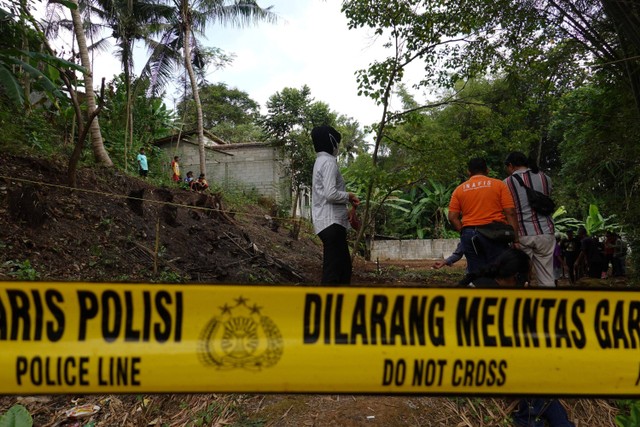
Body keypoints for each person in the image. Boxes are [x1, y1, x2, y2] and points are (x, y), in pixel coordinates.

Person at [459, 249, 575, 427]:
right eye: (527, 277)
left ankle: (555, 421)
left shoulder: (483, 282)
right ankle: (530, 419)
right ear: (516, 277)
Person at [447, 157, 519, 275]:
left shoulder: (459, 190)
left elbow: (452, 217)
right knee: (497, 271)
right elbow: (510, 212)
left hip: (470, 234)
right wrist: (515, 239)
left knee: (476, 273)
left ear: (468, 172)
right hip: (495, 234)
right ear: (487, 170)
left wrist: (464, 231)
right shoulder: (499, 185)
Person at [311, 125, 360, 285]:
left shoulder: (320, 161)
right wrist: (349, 196)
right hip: (331, 224)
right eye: (337, 142)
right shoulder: (329, 162)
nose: (338, 147)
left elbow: (326, 195)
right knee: (334, 273)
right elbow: (330, 194)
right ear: (331, 141)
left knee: (342, 269)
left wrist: (345, 210)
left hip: (327, 223)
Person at [504, 151, 556, 287]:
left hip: (522, 234)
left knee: (520, 275)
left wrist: (514, 238)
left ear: (511, 165)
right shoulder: (545, 178)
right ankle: (549, 304)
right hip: (546, 232)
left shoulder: (507, 183)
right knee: (546, 276)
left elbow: (510, 211)